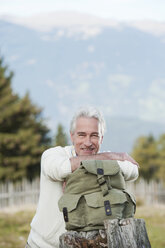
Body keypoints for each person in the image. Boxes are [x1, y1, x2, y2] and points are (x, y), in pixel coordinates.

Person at [26, 106, 139, 248]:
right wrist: (112, 157)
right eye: (81, 135)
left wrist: (87, 169)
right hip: (42, 245)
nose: (88, 142)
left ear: (101, 138)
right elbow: (61, 169)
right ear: (71, 136)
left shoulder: (103, 159)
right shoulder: (53, 155)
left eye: (94, 135)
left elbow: (132, 170)